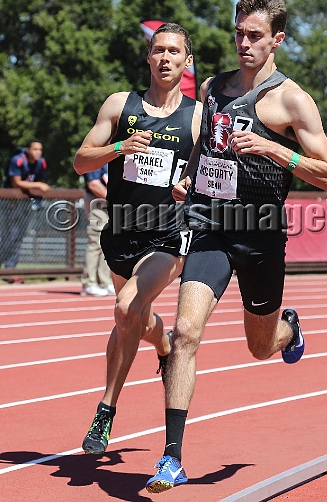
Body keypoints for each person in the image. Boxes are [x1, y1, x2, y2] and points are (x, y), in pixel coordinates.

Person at [145, 0, 327, 494]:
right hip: (211, 225)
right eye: (238, 33)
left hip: (261, 237)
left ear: (277, 39)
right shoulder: (211, 89)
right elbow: (203, 147)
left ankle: (288, 329)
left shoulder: (291, 99)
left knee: (260, 347)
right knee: (186, 332)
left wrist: (275, 147)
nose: (243, 43)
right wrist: (188, 177)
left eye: (255, 36)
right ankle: (171, 458)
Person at [73, 22, 201, 456]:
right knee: (136, 320)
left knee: (126, 308)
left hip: (168, 235)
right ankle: (162, 344)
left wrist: (190, 185)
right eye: (158, 50)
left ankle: (105, 411)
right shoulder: (120, 105)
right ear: (148, 57)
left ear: (187, 63)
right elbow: (79, 161)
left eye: (174, 52)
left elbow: (212, 175)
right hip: (121, 234)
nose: (165, 58)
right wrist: (118, 148)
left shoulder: (198, 116)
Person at [0, 138, 50, 278]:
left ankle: (10, 267)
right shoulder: (18, 160)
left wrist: (37, 188)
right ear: (27, 149)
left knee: (19, 236)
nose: (38, 152)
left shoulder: (41, 163)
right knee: (9, 235)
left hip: (25, 203)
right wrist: (37, 186)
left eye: (40, 150)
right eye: (35, 149)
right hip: (9, 203)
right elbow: (16, 183)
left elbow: (41, 181)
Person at [80, 163, 114, 296]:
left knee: (108, 242)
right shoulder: (97, 157)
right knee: (96, 241)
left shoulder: (116, 155)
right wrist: (114, 199)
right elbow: (93, 184)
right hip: (97, 201)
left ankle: (104, 282)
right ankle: (89, 283)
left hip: (109, 203)